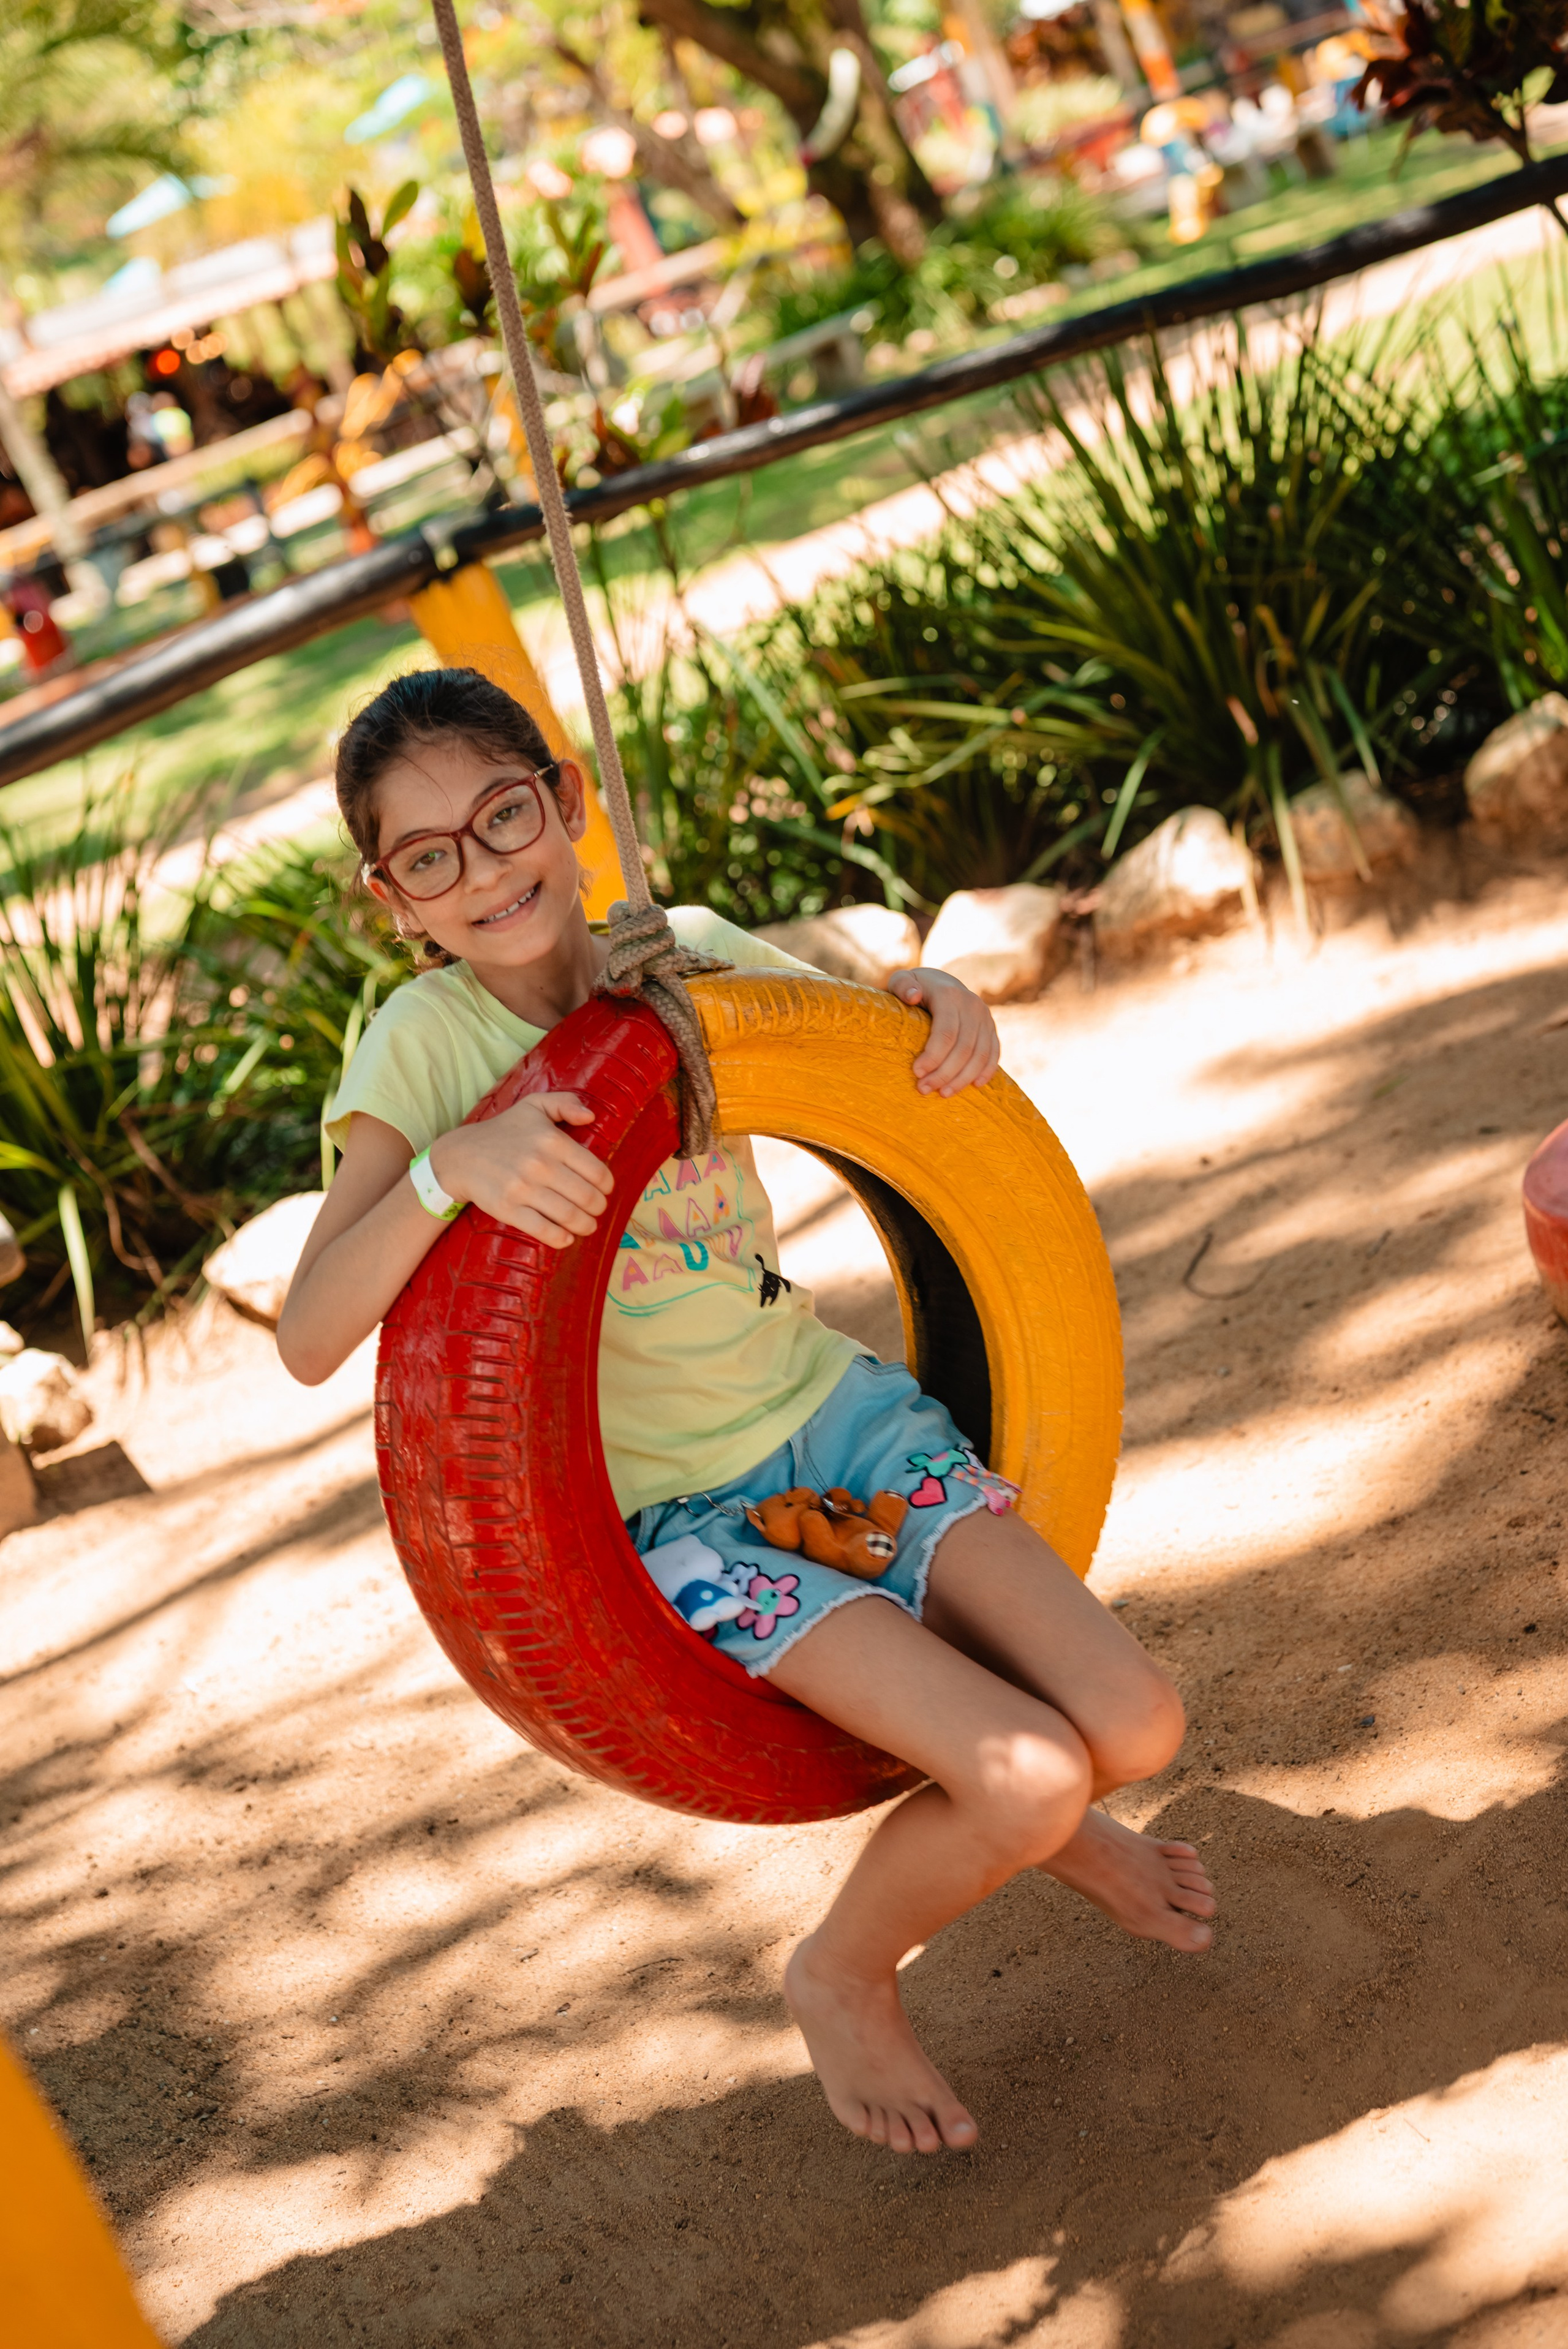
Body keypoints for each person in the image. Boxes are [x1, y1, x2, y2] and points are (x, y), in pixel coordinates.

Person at [279, 667, 1216, 2157]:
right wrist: (454, 1167)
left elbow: (874, 1059)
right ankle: (841, 1970)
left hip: (839, 1427)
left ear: (567, 803)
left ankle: (1038, 1831)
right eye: (429, 854)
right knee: (1032, 1771)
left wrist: (943, 1001)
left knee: (1134, 1717)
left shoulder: (685, 952)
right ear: (391, 893)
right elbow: (311, 1333)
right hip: (687, 1520)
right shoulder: (425, 1047)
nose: (485, 867)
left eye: (505, 813)